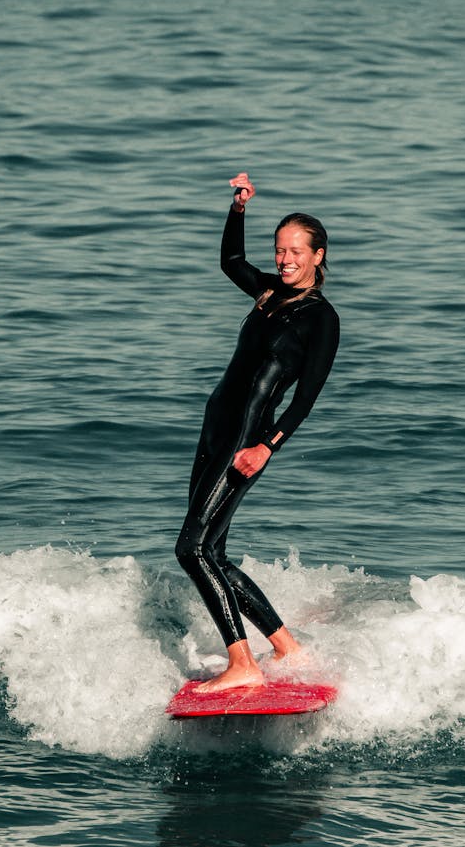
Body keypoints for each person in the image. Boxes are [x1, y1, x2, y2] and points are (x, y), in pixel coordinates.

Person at [175, 172, 340, 693]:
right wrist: (238, 208)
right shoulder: (269, 294)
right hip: (214, 430)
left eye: (296, 251)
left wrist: (267, 447)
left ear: (318, 255)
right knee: (212, 551)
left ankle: (242, 663)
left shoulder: (322, 319)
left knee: (192, 550)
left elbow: (305, 398)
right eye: (279, 250)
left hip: (245, 439)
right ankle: (288, 647)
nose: (286, 259)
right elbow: (229, 262)